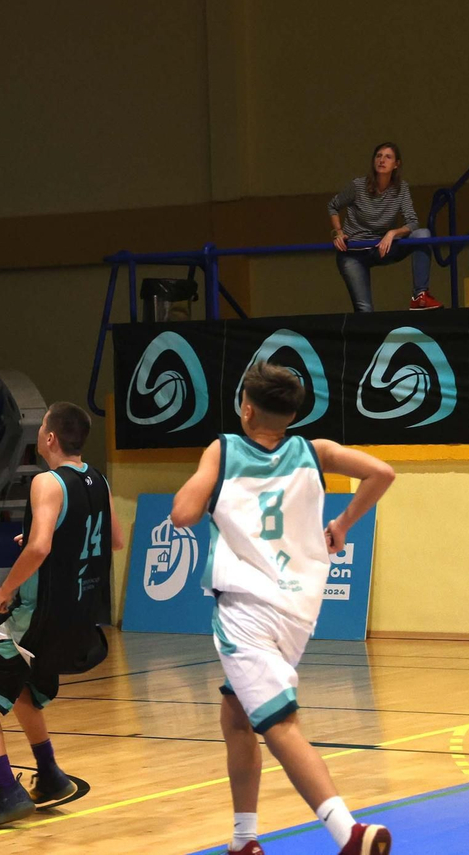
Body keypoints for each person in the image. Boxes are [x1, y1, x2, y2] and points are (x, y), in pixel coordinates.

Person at [170, 363, 397, 855]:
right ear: (291, 414)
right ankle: (244, 840)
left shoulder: (224, 448)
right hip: (298, 610)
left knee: (279, 724)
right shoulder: (314, 452)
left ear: (246, 408)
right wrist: (344, 522)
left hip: (246, 608)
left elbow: (182, 514)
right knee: (236, 715)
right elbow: (383, 472)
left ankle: (349, 833)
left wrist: (208, 474)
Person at [0, 402, 122, 829]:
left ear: (49, 438)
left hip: (37, 615)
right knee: (20, 682)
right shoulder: (98, 479)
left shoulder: (47, 482)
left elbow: (40, 548)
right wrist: (48, 534)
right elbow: (113, 540)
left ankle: (7, 793)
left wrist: (6, 588)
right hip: (80, 617)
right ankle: (49, 776)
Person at [328, 142, 443, 313]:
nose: (382, 160)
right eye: (378, 156)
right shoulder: (358, 186)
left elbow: (413, 222)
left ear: (396, 164)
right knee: (364, 309)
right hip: (353, 252)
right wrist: (338, 233)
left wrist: (392, 233)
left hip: (381, 248)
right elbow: (333, 205)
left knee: (423, 234)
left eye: (388, 157)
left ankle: (420, 295)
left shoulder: (401, 188)